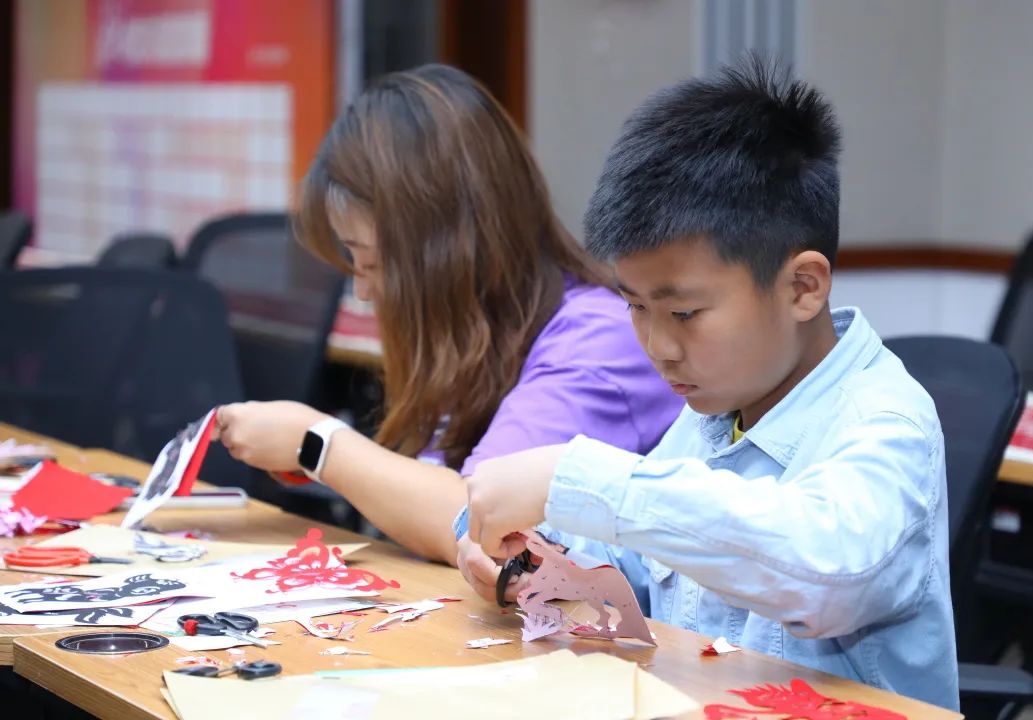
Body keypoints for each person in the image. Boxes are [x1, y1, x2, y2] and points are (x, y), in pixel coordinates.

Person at [458, 58, 960, 710]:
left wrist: (577, 478)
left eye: (686, 313)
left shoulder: (885, 420)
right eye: (635, 306)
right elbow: (641, 571)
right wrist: (532, 561)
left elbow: (827, 570)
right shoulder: (717, 409)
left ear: (802, 287)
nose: (658, 347)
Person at [213, 64, 683, 565]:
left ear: (448, 249)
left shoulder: (601, 341)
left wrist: (318, 444)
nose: (365, 291)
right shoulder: (481, 334)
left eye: (371, 263)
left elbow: (481, 527)